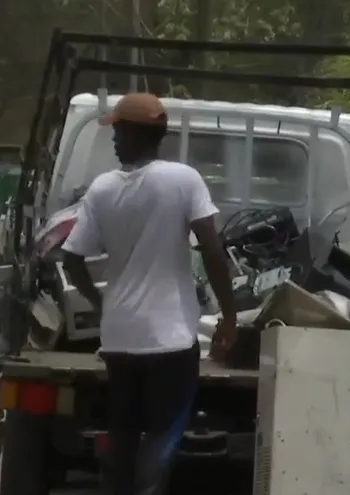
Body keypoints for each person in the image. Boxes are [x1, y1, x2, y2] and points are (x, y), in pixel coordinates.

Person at [61, 92, 238, 495]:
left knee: (122, 433)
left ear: (136, 134)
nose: (113, 140)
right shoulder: (183, 180)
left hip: (120, 340)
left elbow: (72, 260)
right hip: (171, 342)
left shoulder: (102, 190)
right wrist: (229, 316)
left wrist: (101, 302)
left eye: (118, 132)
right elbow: (211, 250)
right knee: (162, 436)